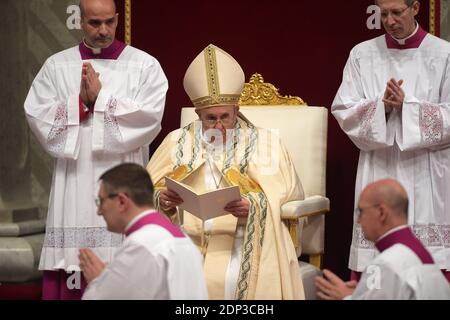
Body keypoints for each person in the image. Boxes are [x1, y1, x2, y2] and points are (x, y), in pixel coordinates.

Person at [24, 0, 168, 299]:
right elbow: (37, 113)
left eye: (109, 22)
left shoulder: (145, 65)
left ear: (117, 19)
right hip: (75, 179)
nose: (103, 30)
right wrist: (78, 104)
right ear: (79, 21)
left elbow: (150, 117)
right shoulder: (57, 65)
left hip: (124, 177)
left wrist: (101, 100)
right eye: (94, 23)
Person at [146, 44, 305, 300]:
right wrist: (162, 200)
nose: (219, 126)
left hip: (245, 240)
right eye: (210, 118)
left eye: (225, 117)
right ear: (197, 114)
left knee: (228, 279)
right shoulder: (176, 141)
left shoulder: (265, 142)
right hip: (186, 239)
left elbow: (287, 192)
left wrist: (253, 206)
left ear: (237, 111)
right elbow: (145, 190)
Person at [331, 0, 450, 281]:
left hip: (427, 171)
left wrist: (408, 106)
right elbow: (343, 109)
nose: (390, 21)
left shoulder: (443, 53)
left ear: (416, 8)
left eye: (397, 12)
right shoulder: (362, 54)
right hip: (379, 165)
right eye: (384, 14)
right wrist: (382, 108)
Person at [79, 163, 207, 299]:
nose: (99, 211)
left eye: (101, 201)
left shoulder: (141, 245)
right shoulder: (183, 239)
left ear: (122, 201)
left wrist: (98, 281)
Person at [315, 179, 450, 300]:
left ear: (381, 213)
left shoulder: (387, 263)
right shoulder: (419, 252)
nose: (359, 220)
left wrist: (347, 297)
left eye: (361, 211)